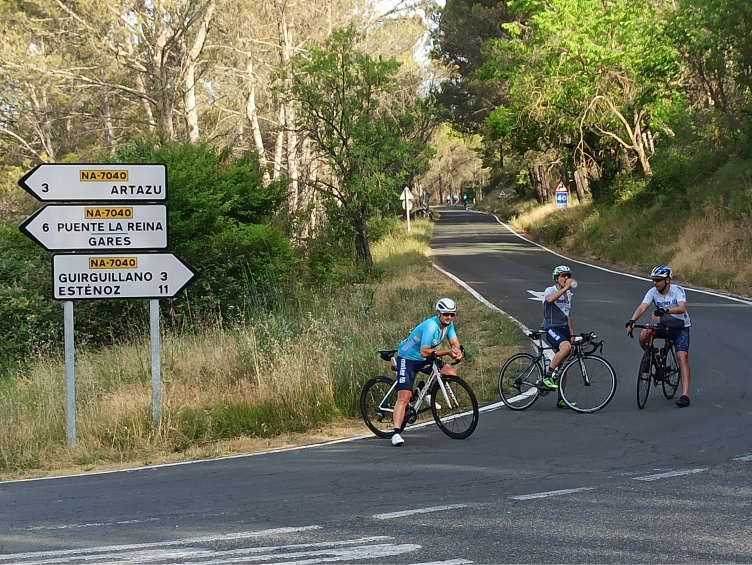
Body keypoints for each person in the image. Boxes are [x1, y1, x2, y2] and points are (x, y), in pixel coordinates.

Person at [391, 298, 463, 446]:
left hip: (426, 358)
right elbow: (424, 351)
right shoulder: (431, 326)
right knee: (404, 397)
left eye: (452, 314)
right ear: (438, 313)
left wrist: (457, 350)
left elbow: (454, 342)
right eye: (446, 314)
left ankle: (425, 392)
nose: (449, 317)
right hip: (408, 358)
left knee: (450, 372)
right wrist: (448, 352)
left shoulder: (449, 325)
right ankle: (396, 433)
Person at [626, 266, 692, 407]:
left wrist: (665, 310)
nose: (655, 283)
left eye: (658, 280)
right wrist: (632, 321)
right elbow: (642, 307)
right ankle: (653, 354)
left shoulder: (678, 291)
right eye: (653, 280)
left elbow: (682, 308)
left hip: (680, 328)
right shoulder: (653, 292)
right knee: (645, 334)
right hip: (664, 327)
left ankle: (685, 395)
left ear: (667, 280)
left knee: (682, 357)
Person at [541, 265, 576, 408]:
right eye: (563, 275)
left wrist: (572, 333)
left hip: (564, 329)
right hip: (551, 328)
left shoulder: (569, 295)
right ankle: (547, 377)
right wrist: (565, 288)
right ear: (556, 278)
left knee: (563, 365)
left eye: (568, 275)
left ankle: (561, 398)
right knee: (565, 347)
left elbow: (567, 315)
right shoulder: (551, 290)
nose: (566, 278)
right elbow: (549, 300)